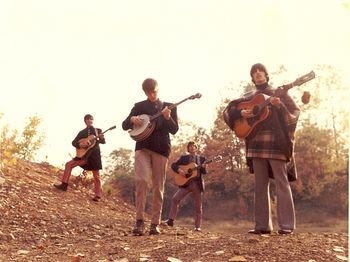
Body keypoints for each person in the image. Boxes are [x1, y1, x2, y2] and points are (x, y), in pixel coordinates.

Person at [223, 63, 300, 235]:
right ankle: (262, 226)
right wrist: (240, 114)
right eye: (254, 72)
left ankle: (287, 225)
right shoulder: (248, 96)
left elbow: (295, 113)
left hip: (276, 141)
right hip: (255, 143)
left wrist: (280, 106)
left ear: (266, 74)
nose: (257, 74)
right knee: (260, 184)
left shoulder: (279, 92)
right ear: (252, 77)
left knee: (281, 181)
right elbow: (228, 111)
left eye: (260, 71)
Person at [122, 78, 179, 235]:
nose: (152, 95)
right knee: (141, 180)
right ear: (145, 92)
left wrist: (168, 118)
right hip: (142, 147)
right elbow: (124, 125)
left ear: (158, 89)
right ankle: (139, 222)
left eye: (154, 91)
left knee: (158, 187)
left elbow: (174, 129)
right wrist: (132, 119)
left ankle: (155, 223)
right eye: (149, 93)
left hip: (161, 149)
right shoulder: (139, 106)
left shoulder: (169, 106)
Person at [54, 114, 105, 202]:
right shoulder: (82, 132)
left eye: (91, 119)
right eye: (88, 119)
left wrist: (102, 137)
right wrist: (80, 144)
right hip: (83, 156)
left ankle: (98, 195)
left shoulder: (98, 130)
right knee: (69, 164)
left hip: (94, 156)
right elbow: (74, 142)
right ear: (85, 121)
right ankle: (64, 185)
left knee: (96, 176)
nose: (90, 121)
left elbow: (103, 142)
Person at [163, 141, 207, 231]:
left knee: (198, 206)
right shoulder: (184, 158)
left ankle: (197, 227)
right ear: (188, 149)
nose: (192, 148)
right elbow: (173, 165)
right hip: (185, 184)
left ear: (196, 148)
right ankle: (170, 220)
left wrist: (203, 167)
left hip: (197, 185)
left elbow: (204, 172)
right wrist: (180, 171)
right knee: (175, 199)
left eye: (194, 146)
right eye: (190, 146)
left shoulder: (202, 159)